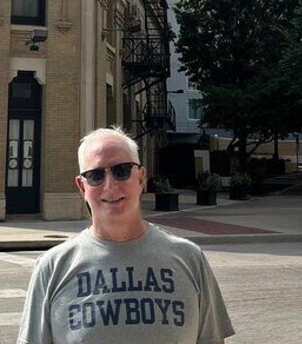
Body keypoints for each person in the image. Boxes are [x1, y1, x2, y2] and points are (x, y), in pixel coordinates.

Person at [18, 127, 234, 343]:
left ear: (141, 178)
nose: (110, 186)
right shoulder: (53, 267)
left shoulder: (190, 259)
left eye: (121, 170)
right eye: (95, 175)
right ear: (82, 187)